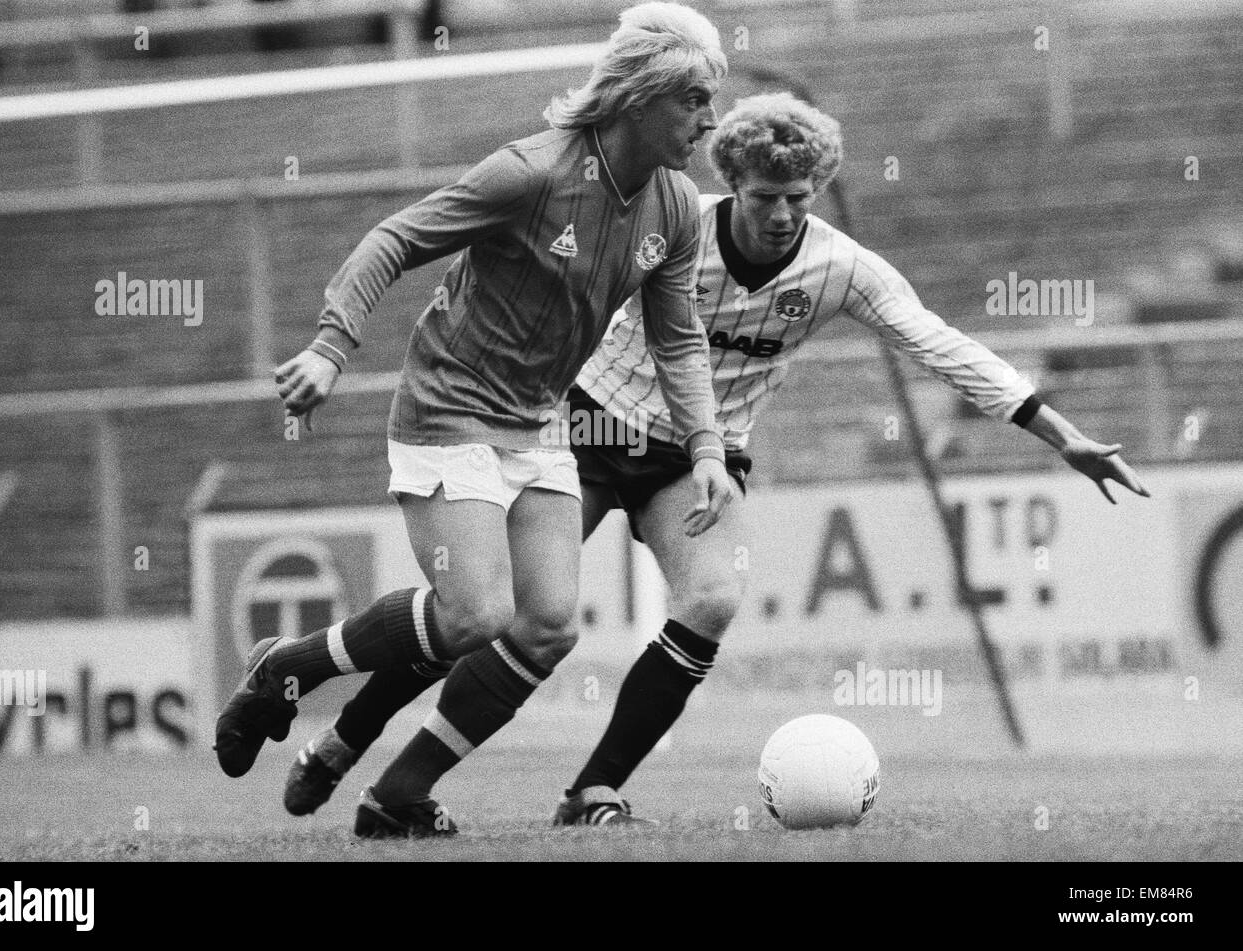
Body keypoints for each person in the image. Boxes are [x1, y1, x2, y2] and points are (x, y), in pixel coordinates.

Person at [280, 92, 1151, 827]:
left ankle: (585, 789)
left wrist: (1056, 430)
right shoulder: (670, 225)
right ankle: (345, 737)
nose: (782, 214)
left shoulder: (839, 268)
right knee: (492, 610)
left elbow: (939, 344)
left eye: (800, 197)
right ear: (731, 181)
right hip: (585, 427)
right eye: (767, 194)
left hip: (700, 457)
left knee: (714, 595)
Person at [213, 2, 731, 838]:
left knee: (550, 624)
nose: (710, 120)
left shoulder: (674, 207)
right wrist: (329, 349)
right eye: (695, 101)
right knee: (474, 615)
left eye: (712, 101)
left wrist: (706, 446)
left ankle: (395, 797)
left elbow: (679, 340)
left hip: (536, 421)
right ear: (641, 96)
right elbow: (392, 239)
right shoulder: (530, 172)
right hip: (447, 407)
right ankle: (290, 666)